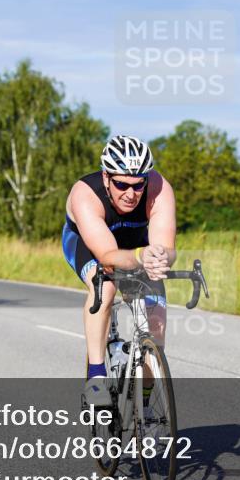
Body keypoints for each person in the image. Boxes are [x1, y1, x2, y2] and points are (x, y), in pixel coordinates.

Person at [62, 135, 176, 407]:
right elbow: (108, 257)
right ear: (106, 178)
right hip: (90, 245)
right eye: (122, 184)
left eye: (138, 186)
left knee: (156, 318)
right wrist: (140, 256)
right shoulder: (85, 194)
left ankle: (145, 404)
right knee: (106, 285)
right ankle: (97, 375)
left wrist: (161, 256)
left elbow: (167, 248)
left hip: (137, 245)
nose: (130, 193)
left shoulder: (159, 188)